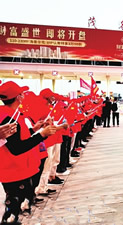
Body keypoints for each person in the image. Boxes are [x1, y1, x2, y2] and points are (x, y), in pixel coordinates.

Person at [0, 81, 56, 224]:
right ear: (18, 97)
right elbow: (16, 148)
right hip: (14, 170)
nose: (24, 95)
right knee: (13, 206)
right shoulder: (8, 119)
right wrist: (41, 135)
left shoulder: (11, 114)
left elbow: (16, 139)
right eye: (22, 93)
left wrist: (34, 129)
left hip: (18, 168)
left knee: (16, 205)